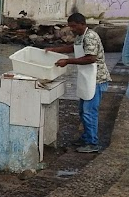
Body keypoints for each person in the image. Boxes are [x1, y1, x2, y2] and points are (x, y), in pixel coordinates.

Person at [47, 13, 111, 153]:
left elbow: (91, 58)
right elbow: (73, 48)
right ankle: (86, 137)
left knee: (89, 111)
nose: (72, 29)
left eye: (74, 26)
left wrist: (67, 61)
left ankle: (93, 143)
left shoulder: (91, 36)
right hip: (86, 77)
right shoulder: (80, 37)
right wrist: (54, 50)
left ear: (82, 24)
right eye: (70, 26)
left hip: (96, 79)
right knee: (83, 110)